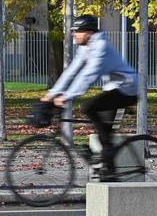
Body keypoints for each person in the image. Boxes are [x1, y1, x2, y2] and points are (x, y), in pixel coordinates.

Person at [42, 14, 138, 177]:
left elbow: (88, 76)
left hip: (128, 89)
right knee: (104, 135)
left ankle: (109, 153)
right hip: (114, 89)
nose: (73, 34)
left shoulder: (100, 47)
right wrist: (51, 94)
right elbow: (71, 72)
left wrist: (66, 97)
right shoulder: (86, 47)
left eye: (77, 31)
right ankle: (110, 174)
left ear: (88, 32)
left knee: (88, 107)